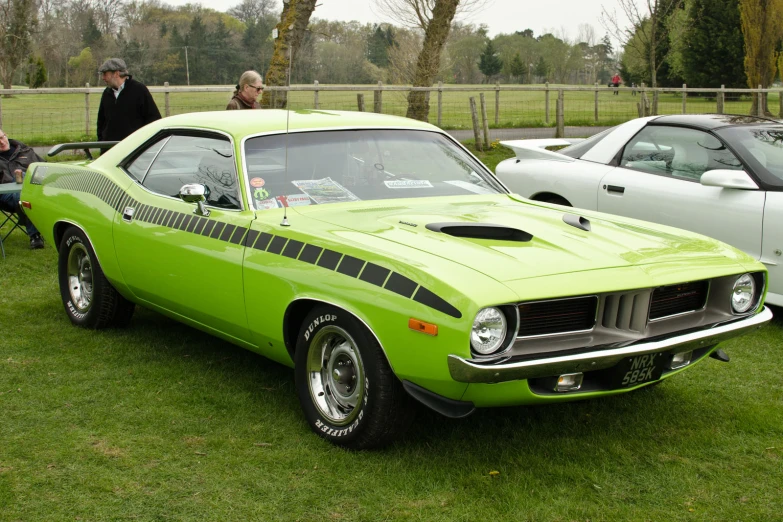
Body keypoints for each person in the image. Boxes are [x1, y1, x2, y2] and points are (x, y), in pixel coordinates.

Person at [97, 58, 161, 142]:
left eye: (105, 74)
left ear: (116, 73)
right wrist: (102, 141)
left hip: (134, 147)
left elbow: (153, 119)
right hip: (110, 149)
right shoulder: (107, 93)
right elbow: (101, 122)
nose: (103, 78)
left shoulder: (139, 90)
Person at [0, 129, 44, 249]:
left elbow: (45, 169)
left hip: (33, 192)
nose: (1, 142)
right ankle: (35, 235)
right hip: (6, 196)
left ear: (6, 135)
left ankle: (24, 214)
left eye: (2, 138)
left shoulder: (26, 151)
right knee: (23, 193)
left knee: (24, 179)